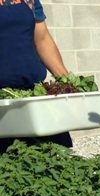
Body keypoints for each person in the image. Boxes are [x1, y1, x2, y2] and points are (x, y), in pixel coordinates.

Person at [0, 0, 73, 153]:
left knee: (54, 158)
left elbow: (42, 40)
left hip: (33, 97)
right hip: (2, 104)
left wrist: (69, 84)